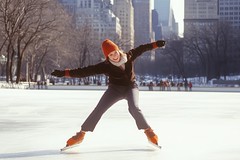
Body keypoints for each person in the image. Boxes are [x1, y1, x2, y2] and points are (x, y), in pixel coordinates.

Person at [51, 39, 165, 148]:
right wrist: (64, 73)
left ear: (118, 50)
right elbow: (85, 71)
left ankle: (148, 131)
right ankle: (81, 134)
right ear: (107, 57)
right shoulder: (105, 66)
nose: (114, 56)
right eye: (110, 55)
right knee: (99, 109)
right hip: (115, 90)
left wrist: (156, 44)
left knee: (134, 108)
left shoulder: (129, 56)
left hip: (131, 87)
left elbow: (142, 48)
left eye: (115, 53)